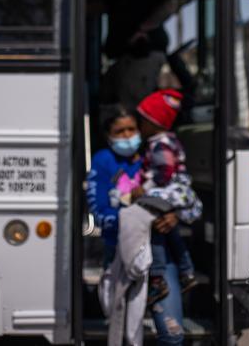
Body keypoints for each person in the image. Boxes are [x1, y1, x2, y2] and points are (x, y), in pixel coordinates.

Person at [86, 105, 187, 345]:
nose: (127, 136)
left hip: (159, 257)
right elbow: (99, 212)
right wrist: (137, 219)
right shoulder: (102, 161)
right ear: (108, 135)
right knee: (123, 332)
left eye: (132, 129)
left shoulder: (155, 157)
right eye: (120, 131)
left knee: (173, 334)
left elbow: (182, 195)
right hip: (120, 255)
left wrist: (174, 216)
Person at [135, 89, 199, 306]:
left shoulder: (159, 143)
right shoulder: (167, 140)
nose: (140, 126)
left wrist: (146, 188)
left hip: (166, 191)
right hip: (175, 190)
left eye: (143, 121)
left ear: (155, 122)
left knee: (155, 229)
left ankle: (158, 278)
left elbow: (164, 171)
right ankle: (187, 271)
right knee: (171, 232)